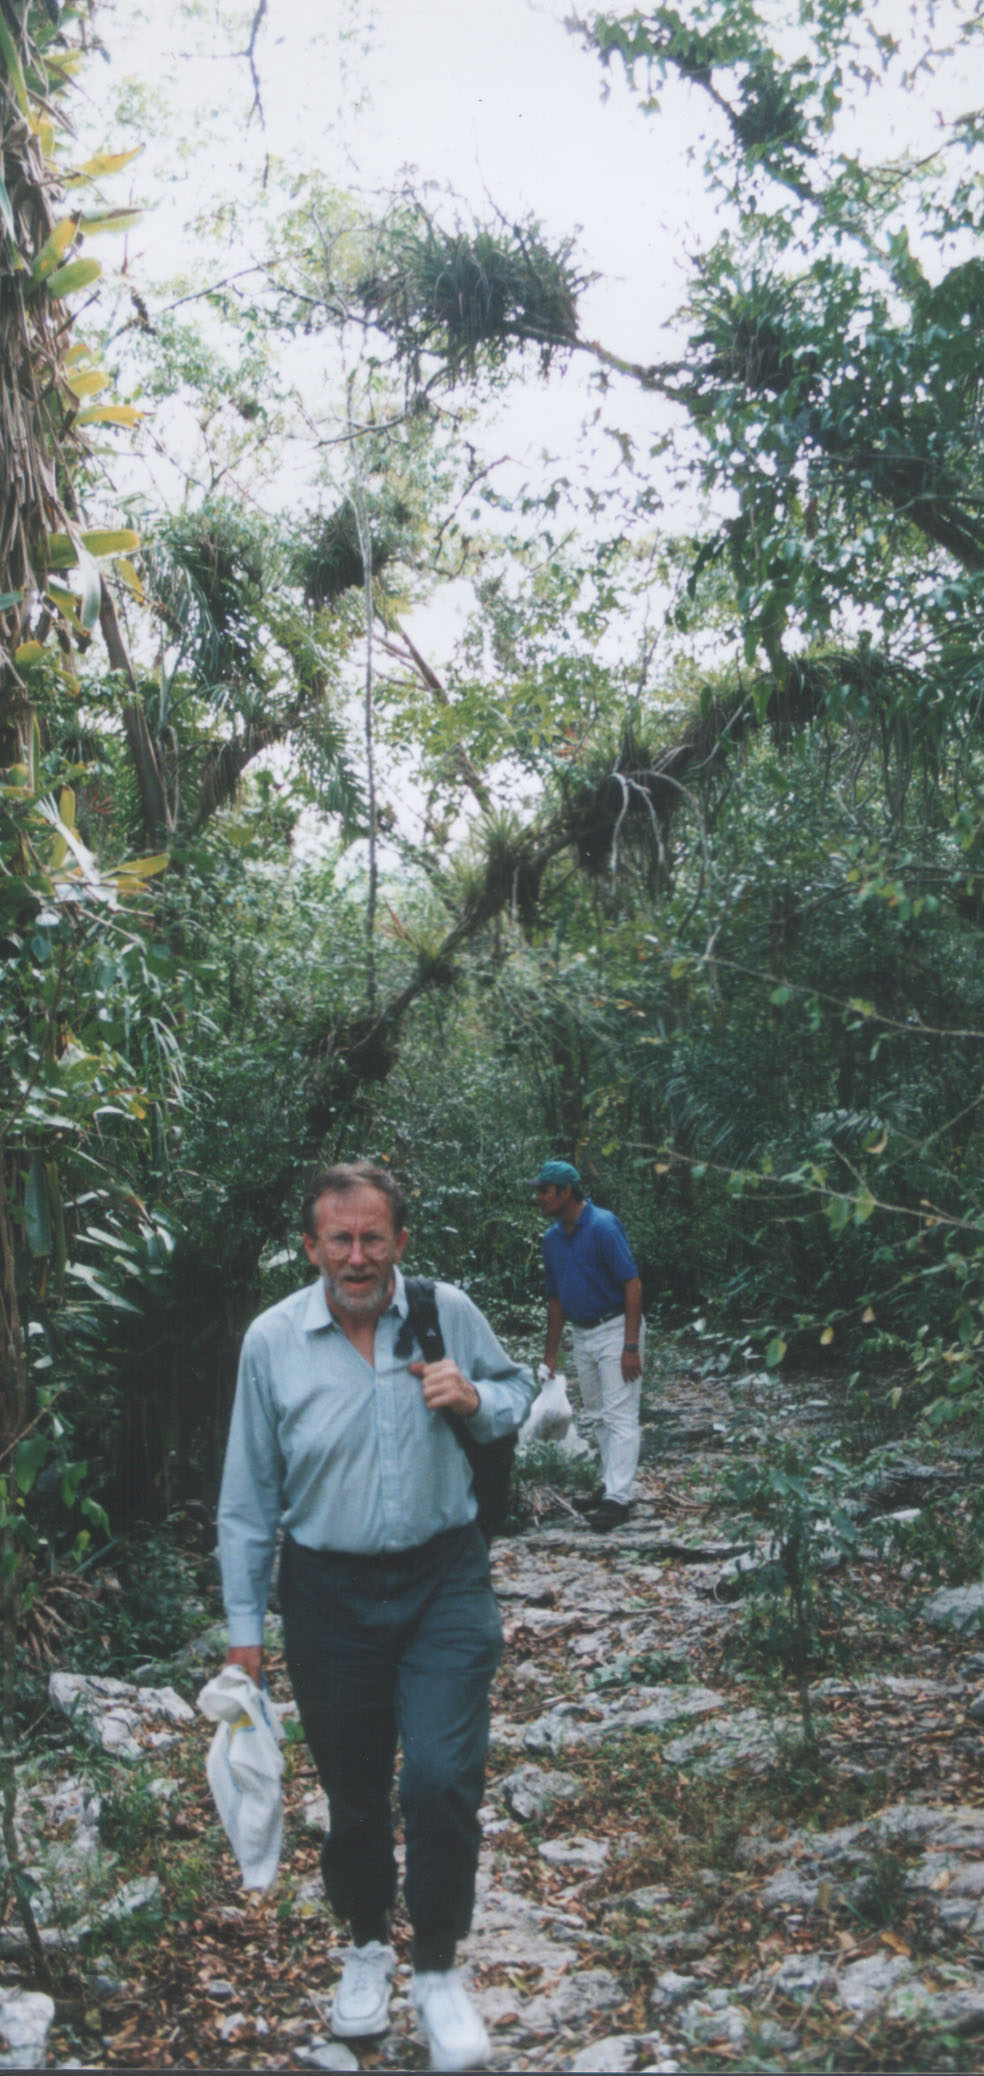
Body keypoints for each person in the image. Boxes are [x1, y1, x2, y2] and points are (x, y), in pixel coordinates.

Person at [217, 1161, 534, 2073]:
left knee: (438, 1778)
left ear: (400, 1240)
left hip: (444, 1579)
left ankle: (436, 1967)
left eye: (373, 1238)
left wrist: (475, 1398)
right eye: (339, 1240)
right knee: (354, 1794)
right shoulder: (272, 1342)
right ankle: (365, 1947)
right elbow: (247, 1499)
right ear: (312, 1245)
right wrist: (247, 1632)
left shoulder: (447, 1313)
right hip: (326, 1594)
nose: (357, 1256)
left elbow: (518, 1396)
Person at [532, 1159, 645, 1529]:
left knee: (620, 1413)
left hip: (615, 1328)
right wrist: (551, 1352)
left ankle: (619, 1497)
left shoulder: (602, 1226)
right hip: (582, 1333)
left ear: (566, 1192)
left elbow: (632, 1284)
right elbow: (555, 1299)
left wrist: (631, 1346)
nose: (539, 1198)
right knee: (596, 1413)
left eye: (545, 1190)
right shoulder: (551, 1240)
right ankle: (611, 1484)